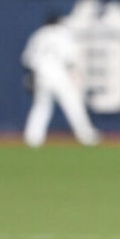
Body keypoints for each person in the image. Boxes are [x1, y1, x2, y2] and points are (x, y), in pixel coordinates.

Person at [21, 13, 101, 148]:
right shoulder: (63, 34)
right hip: (59, 76)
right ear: (59, 22)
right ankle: (86, 136)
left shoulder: (39, 35)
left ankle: (33, 138)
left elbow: (27, 60)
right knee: (73, 105)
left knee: (41, 107)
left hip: (42, 76)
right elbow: (71, 59)